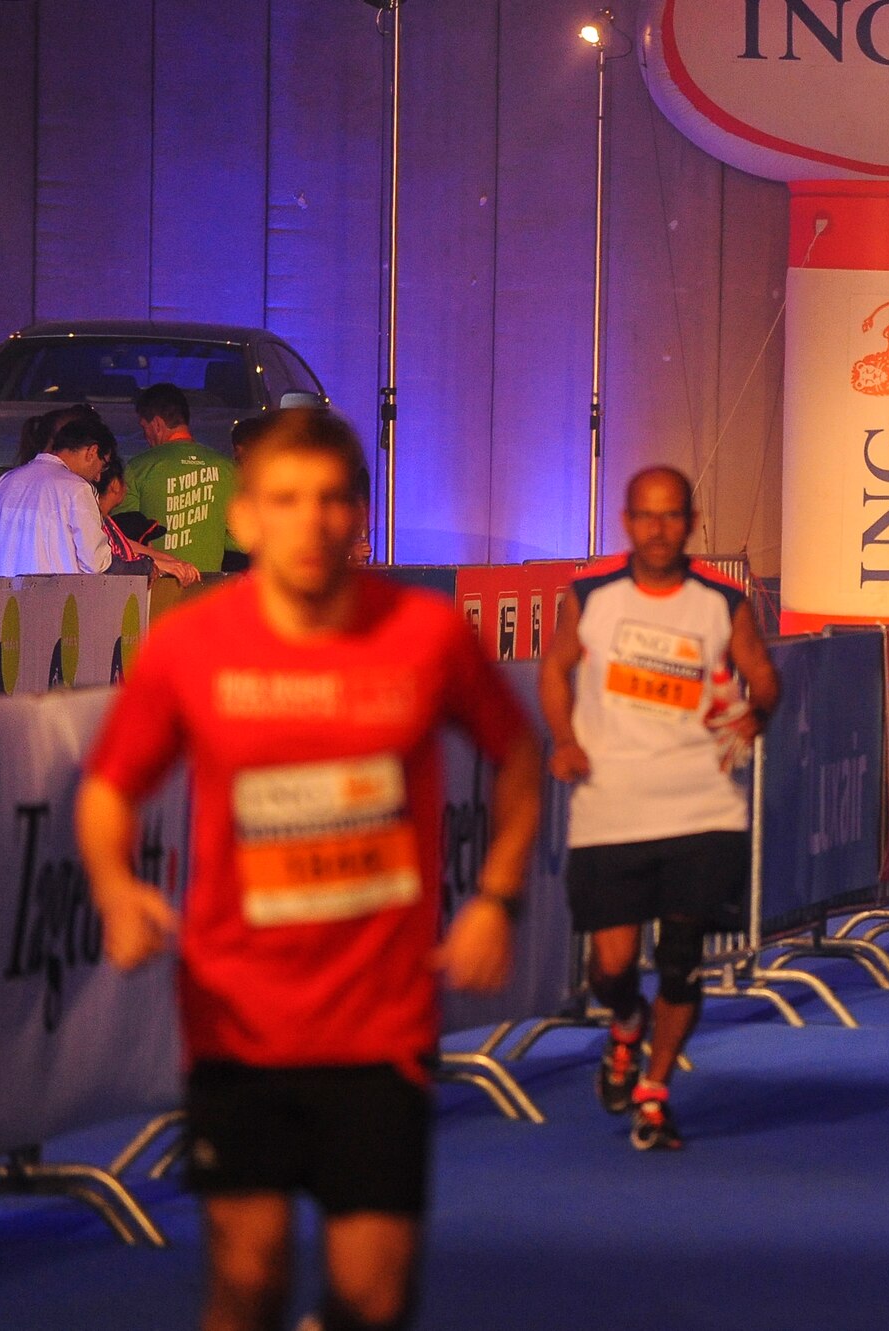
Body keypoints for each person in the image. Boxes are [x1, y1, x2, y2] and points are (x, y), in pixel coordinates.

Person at [76, 407, 542, 1331]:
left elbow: (519, 757)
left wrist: (496, 896)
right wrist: (115, 885)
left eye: (334, 500)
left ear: (361, 516)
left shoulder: (424, 634)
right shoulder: (191, 645)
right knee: (247, 1285)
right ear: (246, 519)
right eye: (286, 500)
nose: (312, 521)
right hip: (237, 1022)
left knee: (375, 1297)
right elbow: (108, 789)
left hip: (382, 1024)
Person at [540, 465, 780, 1150]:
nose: (658, 529)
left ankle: (655, 1090)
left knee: (680, 959)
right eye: (646, 516)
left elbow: (761, 674)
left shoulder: (720, 601)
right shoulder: (590, 596)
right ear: (626, 522)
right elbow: (555, 669)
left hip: (699, 809)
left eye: (672, 515)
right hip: (610, 807)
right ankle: (624, 1025)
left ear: (691, 522)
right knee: (612, 968)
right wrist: (563, 738)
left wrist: (755, 711)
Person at [118, 382, 244, 573]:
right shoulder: (227, 468)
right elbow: (241, 541)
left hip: (155, 589)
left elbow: (123, 535)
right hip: (206, 589)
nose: (145, 436)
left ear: (157, 424)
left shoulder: (137, 467)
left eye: (144, 428)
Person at [0, 414, 114, 575]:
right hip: (56, 597)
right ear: (92, 451)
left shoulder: (6, 481)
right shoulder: (77, 489)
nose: (98, 476)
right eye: (103, 465)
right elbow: (95, 562)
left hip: (6, 596)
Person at [95, 448, 200, 585]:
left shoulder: (105, 519)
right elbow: (114, 559)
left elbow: (125, 544)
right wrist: (158, 565)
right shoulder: (96, 519)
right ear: (115, 484)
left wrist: (174, 562)